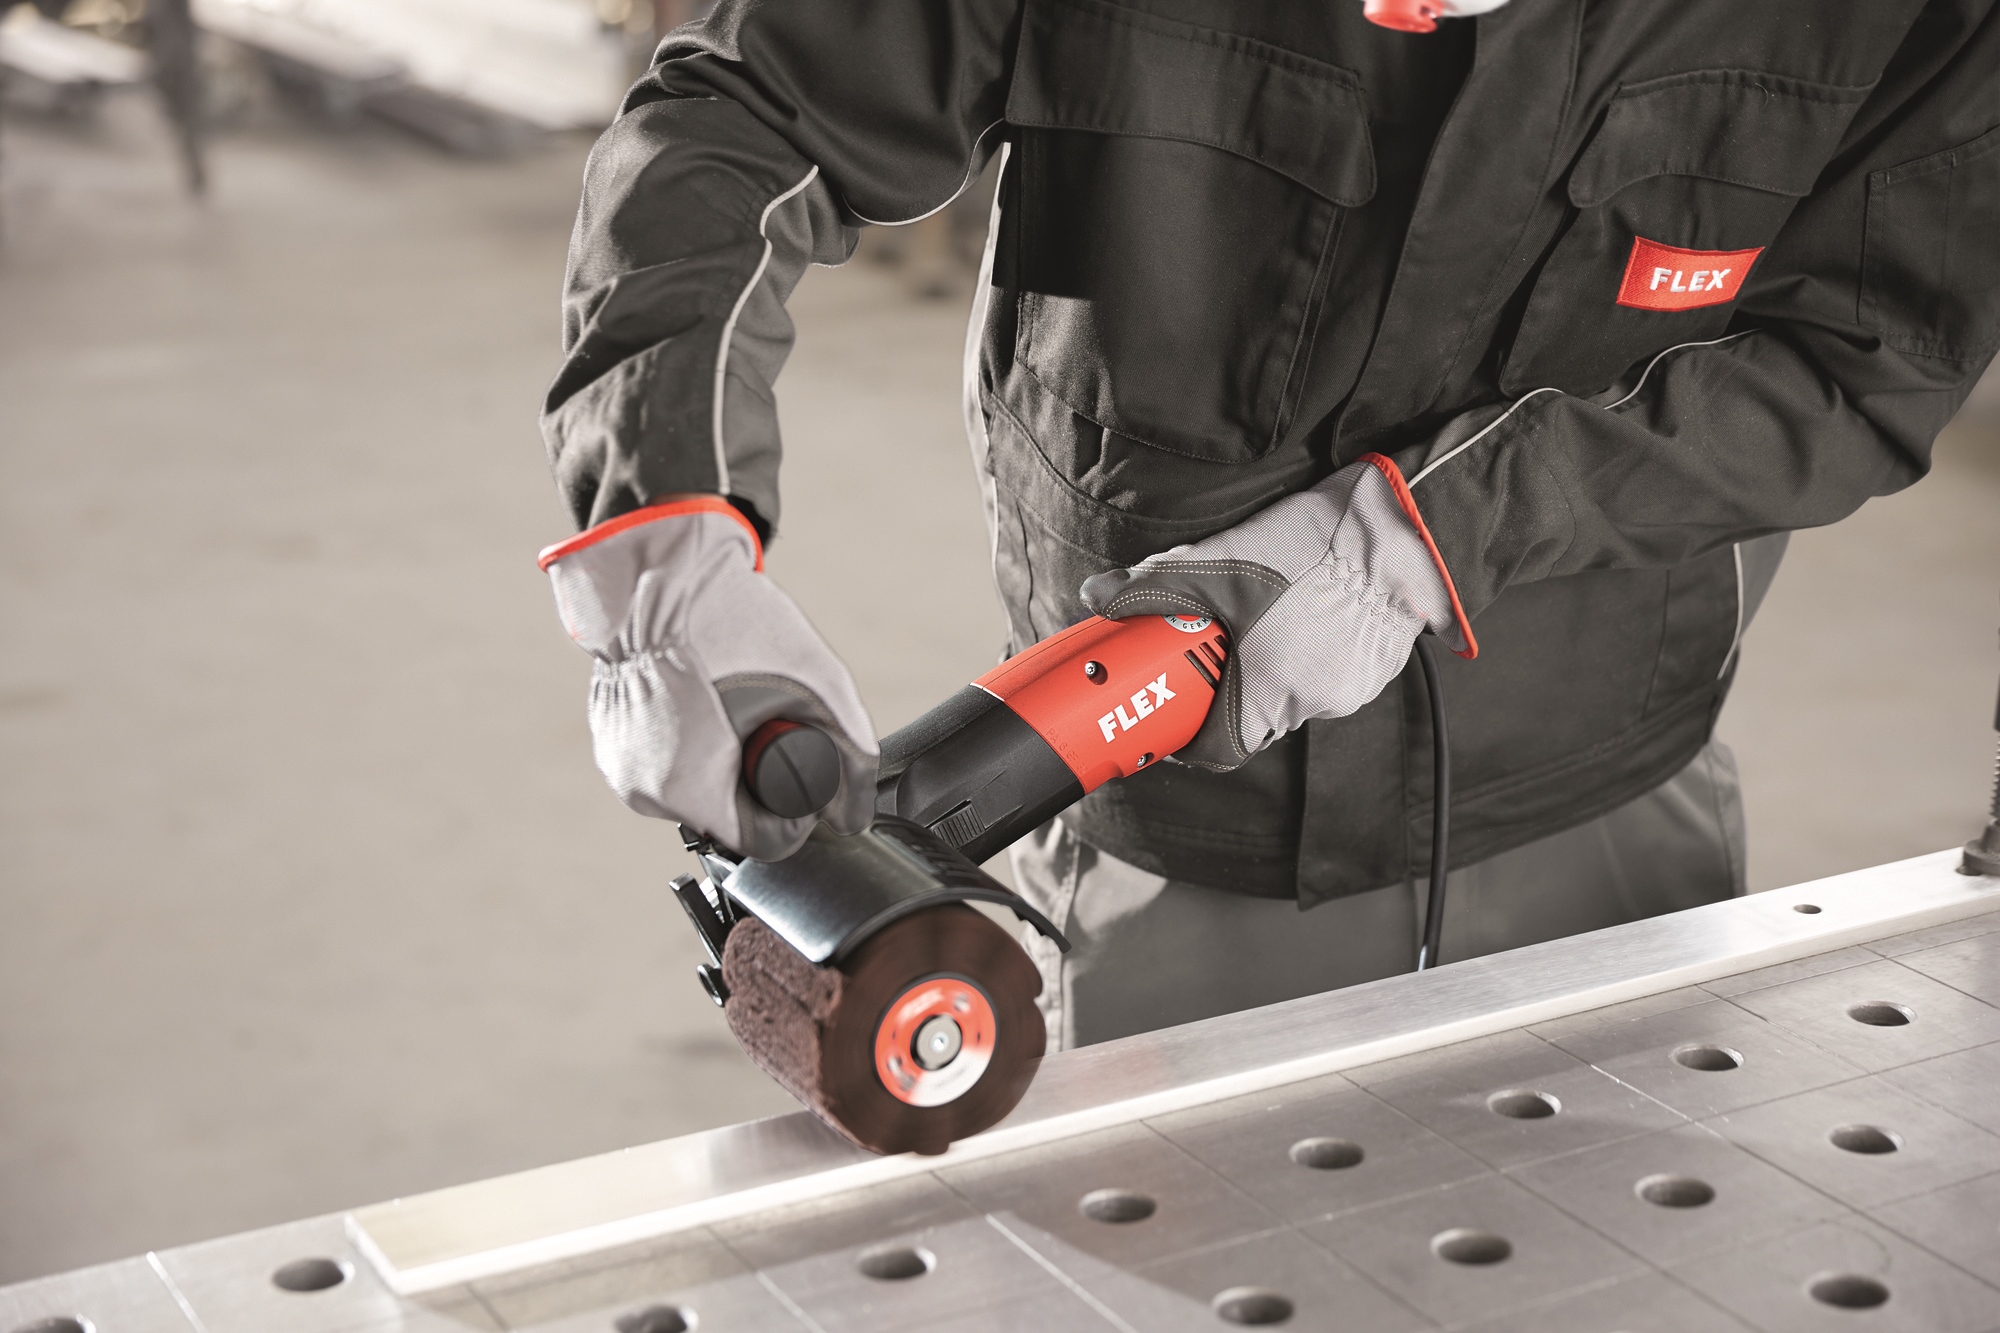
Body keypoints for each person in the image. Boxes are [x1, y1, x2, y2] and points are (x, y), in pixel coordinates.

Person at [537, 0, 2000, 1049]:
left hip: (1606, 776)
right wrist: (664, 552)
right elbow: (750, 116)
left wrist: (1417, 542)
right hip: (1164, 823)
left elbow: (1872, 357)